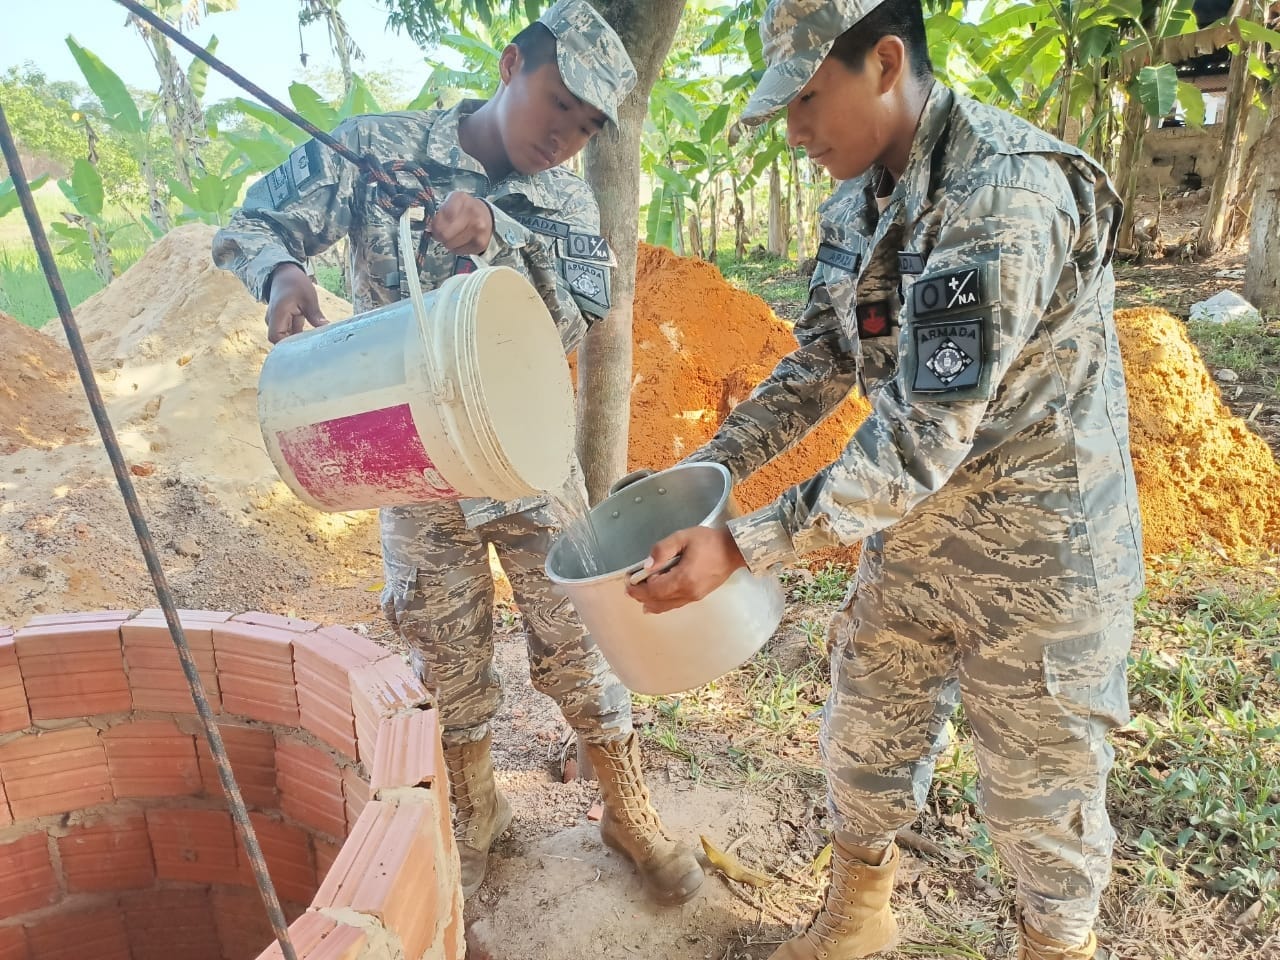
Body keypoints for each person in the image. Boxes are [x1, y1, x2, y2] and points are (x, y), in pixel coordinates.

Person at [625, 0, 1144, 956]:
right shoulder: (855, 201)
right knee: (865, 737)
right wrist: (710, 468)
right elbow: (822, 360)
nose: (795, 131)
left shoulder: (1005, 193)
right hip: (911, 539)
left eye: (810, 99)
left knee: (1041, 802)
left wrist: (740, 544)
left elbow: (919, 438)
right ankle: (857, 920)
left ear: (888, 61)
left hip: (1040, 558)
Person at [213, 0, 703, 907]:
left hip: (525, 451)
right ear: (513, 63)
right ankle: (477, 816)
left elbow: (590, 298)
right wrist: (282, 274)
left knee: (579, 631)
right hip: (414, 457)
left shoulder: (563, 194)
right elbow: (251, 221)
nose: (566, 137)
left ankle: (626, 809)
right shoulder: (377, 147)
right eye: (558, 106)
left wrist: (504, 237)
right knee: (444, 646)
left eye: (588, 127)